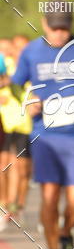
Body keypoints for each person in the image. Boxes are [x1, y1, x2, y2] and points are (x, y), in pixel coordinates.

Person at [10, 9, 74, 249]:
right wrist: (26, 100)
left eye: (64, 28)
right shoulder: (31, 51)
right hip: (45, 135)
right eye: (54, 28)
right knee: (50, 197)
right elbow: (17, 84)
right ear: (43, 24)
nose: (59, 33)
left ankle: (65, 233)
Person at [0, 35, 33, 230]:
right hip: (5, 123)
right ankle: (4, 205)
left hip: (25, 124)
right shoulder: (6, 65)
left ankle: (19, 205)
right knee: (3, 166)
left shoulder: (28, 66)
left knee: (22, 170)